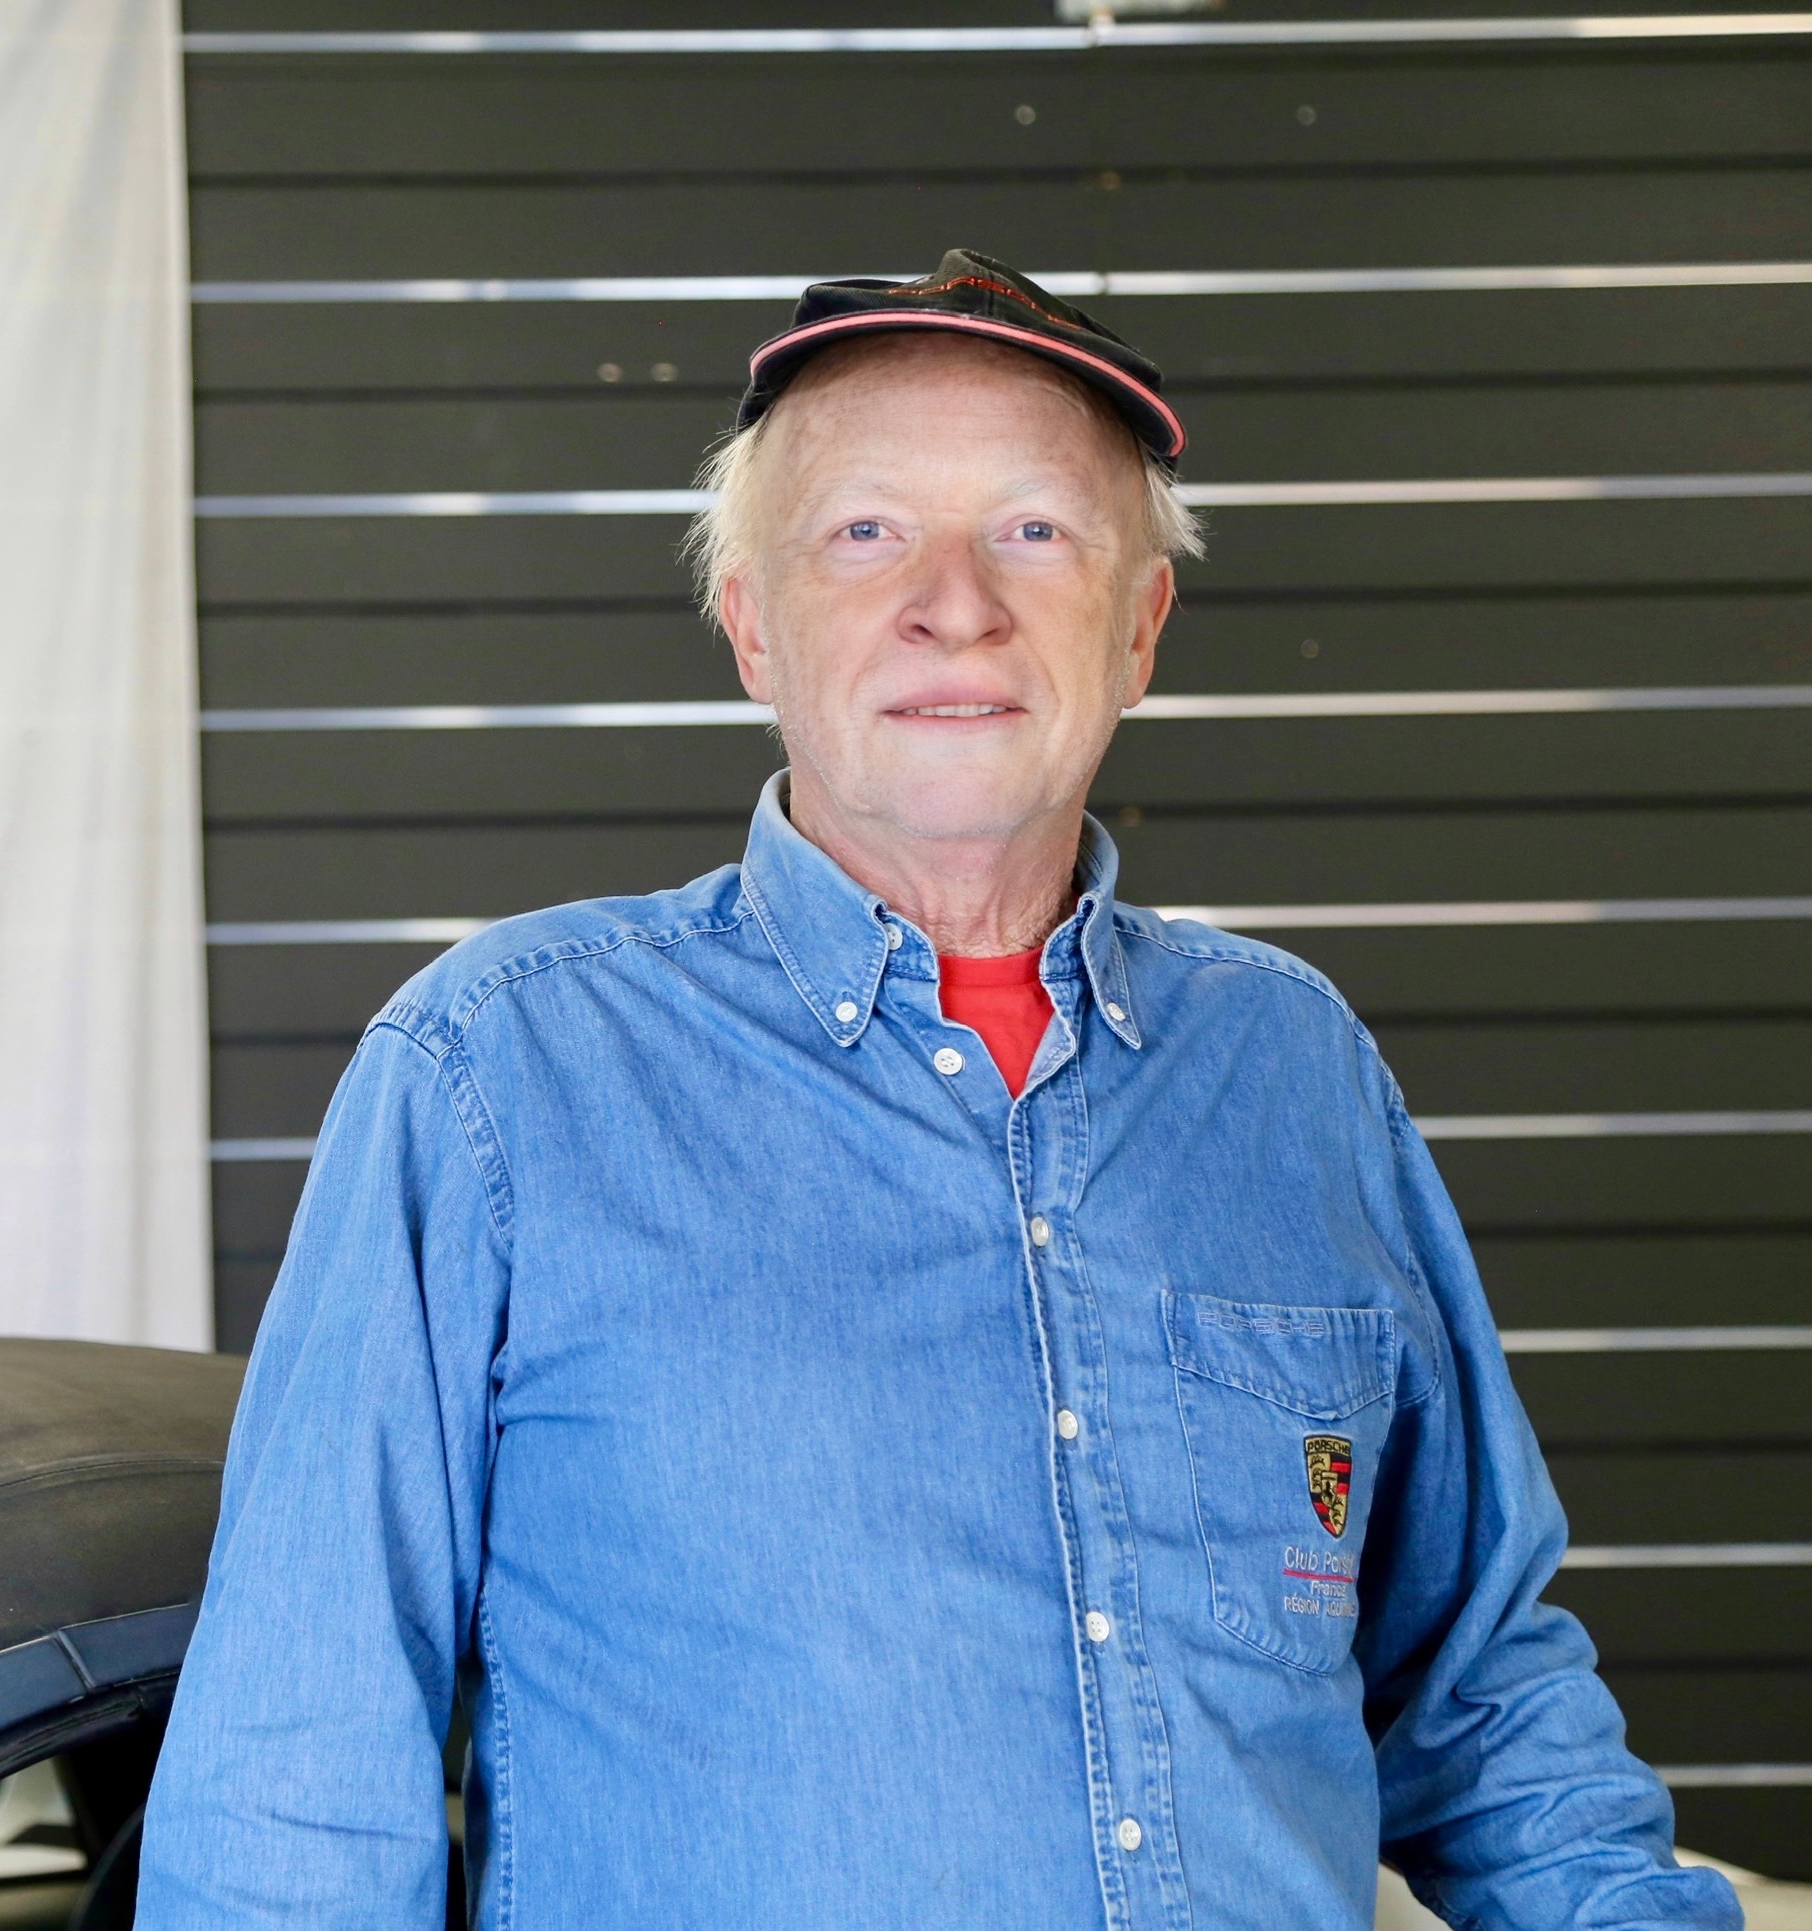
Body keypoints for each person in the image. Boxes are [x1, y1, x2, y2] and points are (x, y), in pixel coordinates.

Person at [134, 251, 1737, 1930]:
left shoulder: (1291, 1069)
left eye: (1034, 531)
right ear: (751, 625)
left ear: (1139, 630)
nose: (954, 604)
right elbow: (294, 1788)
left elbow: (1479, 1702)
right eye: (865, 532)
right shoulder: (498, 1075)